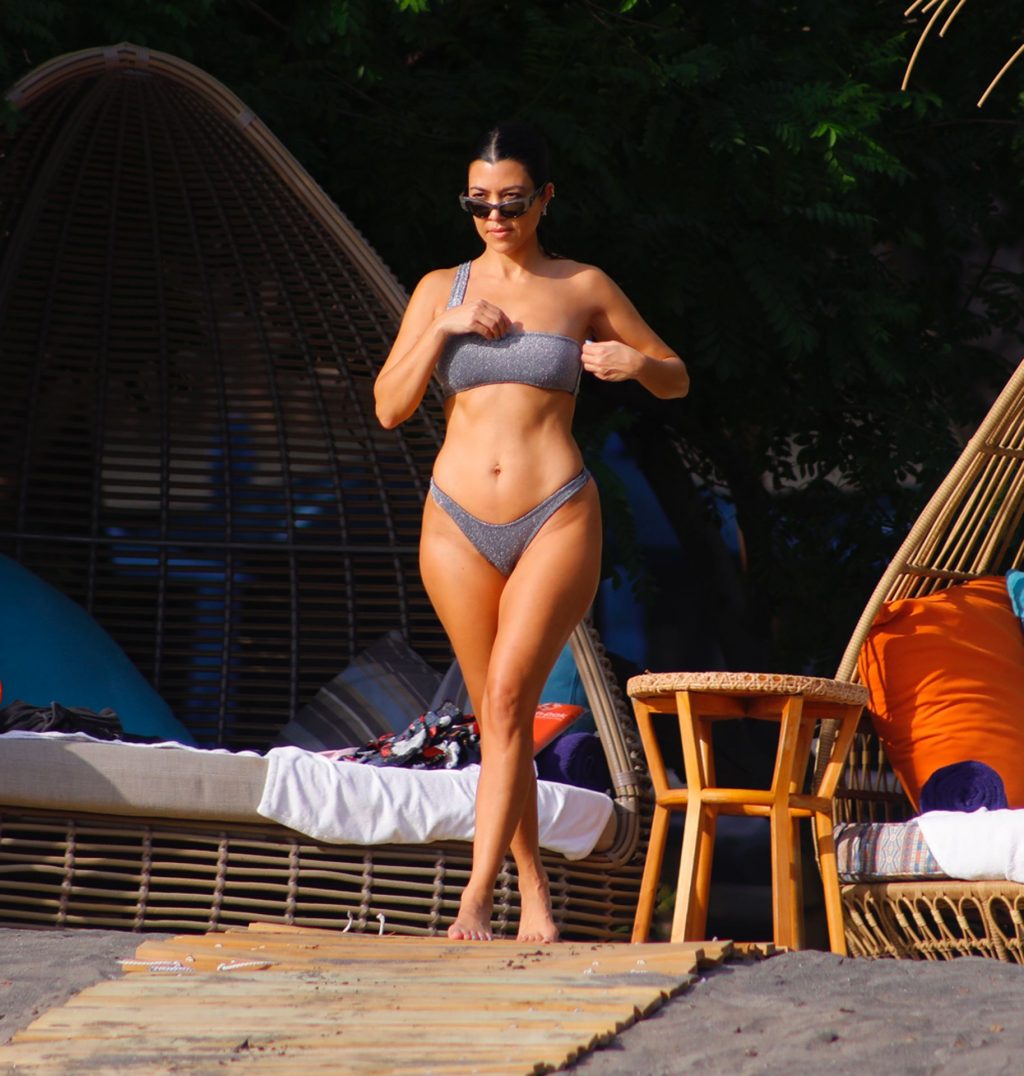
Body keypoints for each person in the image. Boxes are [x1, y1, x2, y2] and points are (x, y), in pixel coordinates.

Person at [374, 122, 689, 942]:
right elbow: (389, 406)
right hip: (455, 521)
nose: (495, 218)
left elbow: (676, 376)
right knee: (495, 716)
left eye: (511, 202)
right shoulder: (439, 288)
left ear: (545, 198)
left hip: (555, 513)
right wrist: (442, 329)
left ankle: (475, 900)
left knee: (511, 697)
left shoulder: (582, 285)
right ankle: (536, 894)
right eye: (479, 204)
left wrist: (634, 365)